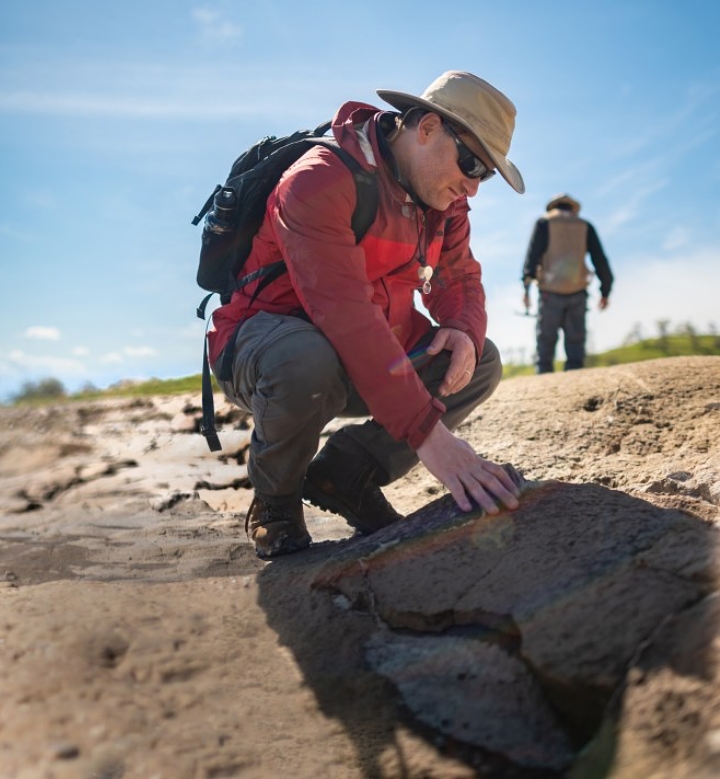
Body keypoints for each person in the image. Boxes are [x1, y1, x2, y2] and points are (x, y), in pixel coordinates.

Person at [207, 70, 526, 558]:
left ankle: (346, 473)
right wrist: (428, 436)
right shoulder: (317, 181)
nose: (474, 187)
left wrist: (463, 327)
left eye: (484, 174)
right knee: (306, 358)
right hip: (268, 350)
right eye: (472, 165)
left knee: (479, 361)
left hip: (360, 352)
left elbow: (458, 278)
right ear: (426, 129)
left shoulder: (445, 202)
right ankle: (275, 502)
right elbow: (344, 313)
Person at [521, 194, 613, 374]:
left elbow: (531, 258)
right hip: (578, 290)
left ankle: (543, 378)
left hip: (549, 290)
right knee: (576, 341)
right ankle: (574, 380)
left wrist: (526, 288)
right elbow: (600, 260)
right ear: (573, 208)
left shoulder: (544, 223)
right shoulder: (585, 225)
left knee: (546, 339)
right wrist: (605, 291)